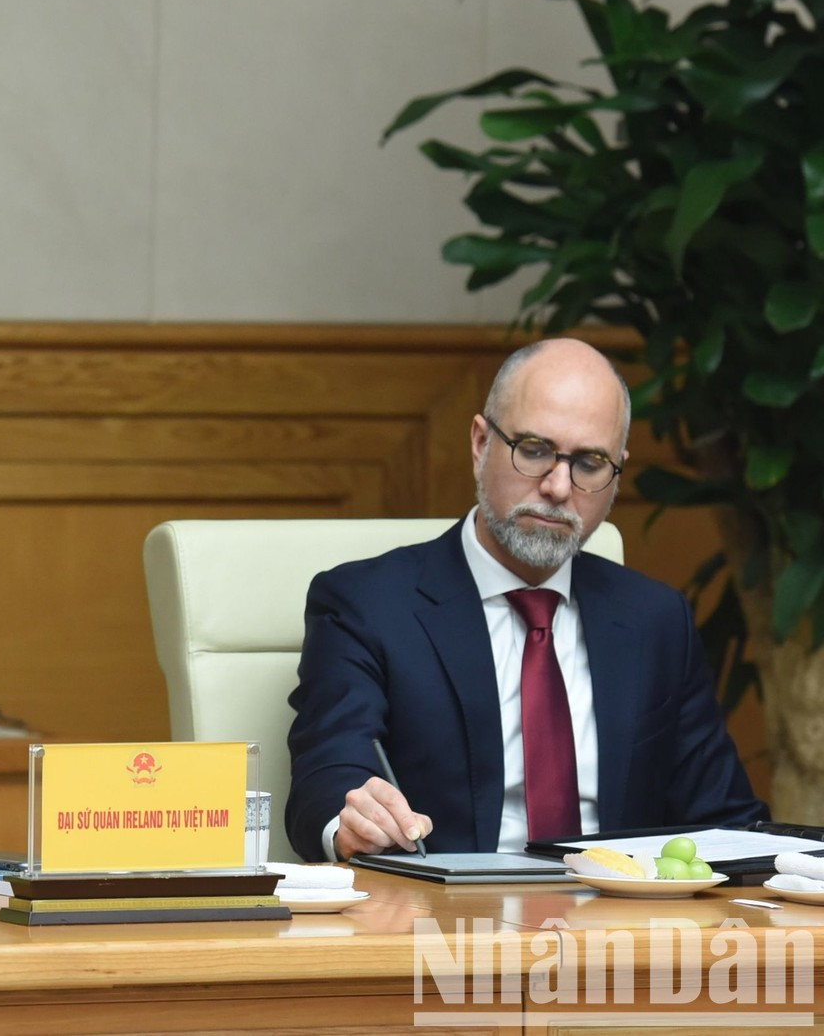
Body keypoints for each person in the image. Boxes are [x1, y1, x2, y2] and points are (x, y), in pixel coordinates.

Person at [286, 338, 765, 860]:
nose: (559, 486)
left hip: (617, 929)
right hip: (444, 926)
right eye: (534, 450)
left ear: (617, 474)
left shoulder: (655, 620)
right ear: (479, 443)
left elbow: (725, 819)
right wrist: (349, 821)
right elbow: (329, 776)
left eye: (589, 463)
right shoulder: (368, 605)